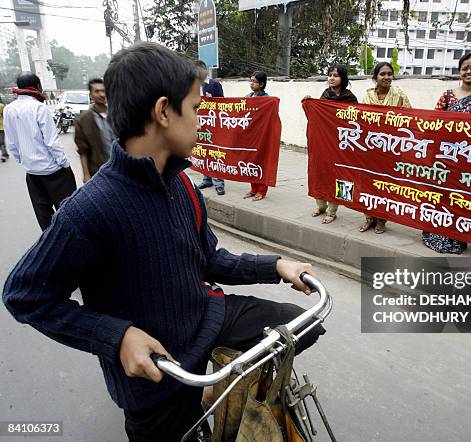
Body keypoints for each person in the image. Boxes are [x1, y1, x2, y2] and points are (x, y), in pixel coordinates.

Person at [2, 42, 325, 442]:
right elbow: (23, 294)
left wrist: (276, 266)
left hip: (205, 318)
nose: (201, 120)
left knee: (303, 327)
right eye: (194, 108)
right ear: (163, 111)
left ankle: (216, 389)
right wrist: (118, 337)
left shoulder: (183, 185)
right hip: (158, 373)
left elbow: (208, 259)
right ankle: (206, 391)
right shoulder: (90, 210)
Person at [422, 53, 471, 254]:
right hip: (446, 158)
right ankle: (434, 234)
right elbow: (434, 125)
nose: (469, 71)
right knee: (441, 197)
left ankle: (458, 239)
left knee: (462, 199)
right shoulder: (448, 96)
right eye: (465, 68)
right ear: (459, 72)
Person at [3, 73, 76, 230]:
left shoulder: (9, 109)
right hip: (53, 171)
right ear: (37, 86)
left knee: (44, 217)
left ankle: (51, 245)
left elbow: (12, 143)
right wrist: (64, 164)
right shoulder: (39, 107)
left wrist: (24, 161)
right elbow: (51, 142)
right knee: (70, 211)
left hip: (32, 172)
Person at [361, 61, 411, 234]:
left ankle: (382, 220)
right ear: (375, 77)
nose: (387, 77)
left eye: (390, 74)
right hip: (370, 149)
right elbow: (359, 118)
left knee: (386, 185)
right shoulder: (367, 96)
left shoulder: (400, 96)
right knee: (368, 184)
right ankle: (369, 218)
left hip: (391, 150)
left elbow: (410, 118)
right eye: (382, 74)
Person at [309, 64, 358, 224]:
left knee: (341, 177)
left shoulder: (350, 98)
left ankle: (333, 210)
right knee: (320, 173)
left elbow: (355, 122)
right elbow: (317, 118)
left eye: (335, 75)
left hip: (343, 145)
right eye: (329, 74)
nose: (331, 78)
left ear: (343, 78)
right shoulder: (324, 96)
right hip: (324, 145)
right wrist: (310, 103)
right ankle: (321, 205)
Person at [74, 78, 115, 182]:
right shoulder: (83, 120)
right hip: (99, 171)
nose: (101, 94)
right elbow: (83, 151)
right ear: (91, 95)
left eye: (103, 91)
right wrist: (86, 175)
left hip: (120, 168)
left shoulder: (116, 114)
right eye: (97, 91)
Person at [195, 60, 225, 195]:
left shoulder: (214, 85)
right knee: (203, 152)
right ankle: (207, 179)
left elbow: (223, 104)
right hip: (201, 124)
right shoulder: (194, 85)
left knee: (215, 153)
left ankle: (219, 183)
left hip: (214, 125)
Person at [243, 70, 270, 201]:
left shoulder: (266, 99)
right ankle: (253, 189)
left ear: (262, 84)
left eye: (254, 82)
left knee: (261, 163)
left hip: (261, 136)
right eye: (251, 81)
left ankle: (262, 191)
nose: (251, 84)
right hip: (250, 136)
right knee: (250, 161)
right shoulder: (248, 97)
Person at [0, 97, 8, 162]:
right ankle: (4, 155)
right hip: (1, 127)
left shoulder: (1, 106)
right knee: (2, 142)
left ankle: (4, 155)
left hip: (1, 127)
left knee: (2, 142)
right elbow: (4, 116)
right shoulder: (2, 106)